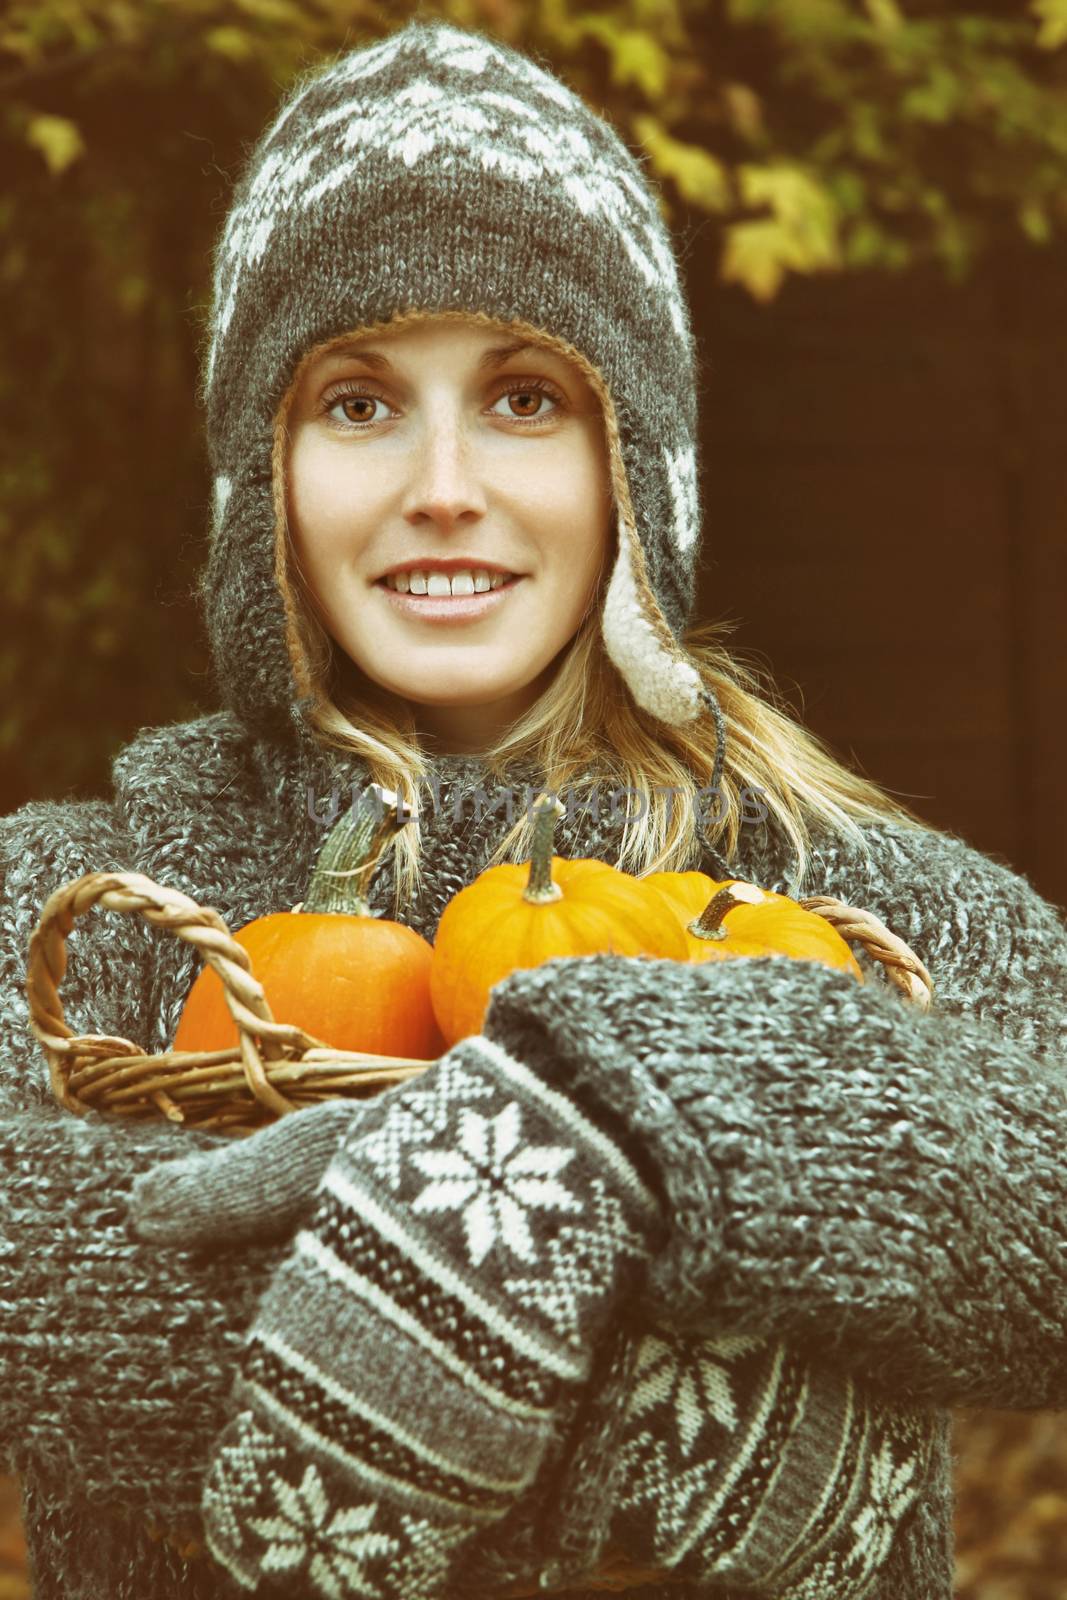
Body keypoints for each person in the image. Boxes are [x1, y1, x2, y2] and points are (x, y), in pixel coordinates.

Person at [0, 15, 1064, 1600]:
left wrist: (624, 1108)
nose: (446, 484)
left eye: (523, 397)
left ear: (635, 463)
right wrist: (667, 1392)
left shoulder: (826, 888)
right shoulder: (81, 911)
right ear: (260, 475)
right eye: (359, 401)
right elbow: (32, 1268)